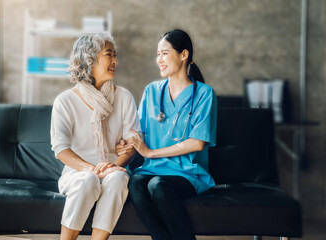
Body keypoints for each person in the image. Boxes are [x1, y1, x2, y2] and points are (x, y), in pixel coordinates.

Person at [117, 29, 217, 240]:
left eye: (164, 53)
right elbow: (139, 133)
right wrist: (125, 145)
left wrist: (151, 153)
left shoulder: (204, 94)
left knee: (157, 185)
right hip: (151, 169)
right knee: (135, 182)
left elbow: (197, 143)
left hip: (187, 173)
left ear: (184, 55)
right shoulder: (152, 91)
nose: (159, 60)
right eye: (157, 54)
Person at [50, 33, 140, 240]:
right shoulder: (65, 101)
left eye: (115, 55)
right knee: (88, 180)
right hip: (77, 173)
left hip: (113, 168)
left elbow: (133, 141)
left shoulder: (123, 96)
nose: (115, 61)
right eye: (109, 54)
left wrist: (113, 165)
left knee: (118, 178)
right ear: (89, 58)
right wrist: (92, 169)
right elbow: (61, 149)